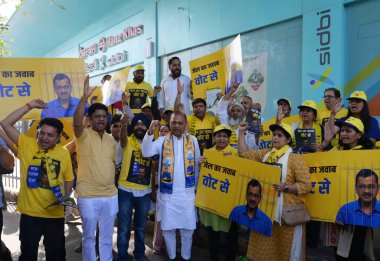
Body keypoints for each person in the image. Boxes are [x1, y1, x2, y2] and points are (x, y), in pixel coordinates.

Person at [1, 99, 74, 261]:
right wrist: (29, 106)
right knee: (27, 256)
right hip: (30, 215)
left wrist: (65, 197)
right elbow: (5, 124)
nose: (44, 138)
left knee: (56, 256)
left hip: (54, 216)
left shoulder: (63, 153)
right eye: (42, 133)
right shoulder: (28, 145)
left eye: (50, 135)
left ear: (57, 138)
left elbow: (69, 178)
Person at [238, 122, 310, 261]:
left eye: (280, 135)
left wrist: (286, 188)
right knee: (263, 250)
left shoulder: (295, 159)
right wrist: (241, 132)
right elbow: (243, 154)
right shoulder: (265, 154)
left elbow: (306, 185)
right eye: (274, 135)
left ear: (288, 140)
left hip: (286, 216)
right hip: (266, 212)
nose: (275, 138)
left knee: (285, 250)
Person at [142, 111, 200, 261]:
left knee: (188, 230)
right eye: (174, 122)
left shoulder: (193, 140)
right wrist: (150, 132)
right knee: (168, 230)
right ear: (169, 123)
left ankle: (186, 257)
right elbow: (146, 152)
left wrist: (197, 189)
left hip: (187, 195)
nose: (177, 126)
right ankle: (172, 257)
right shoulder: (162, 140)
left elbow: (197, 167)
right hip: (167, 195)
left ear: (185, 124)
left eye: (180, 123)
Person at [73, 75, 118, 261]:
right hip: (88, 196)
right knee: (89, 237)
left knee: (107, 238)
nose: (101, 119)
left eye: (103, 116)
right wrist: (84, 98)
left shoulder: (110, 140)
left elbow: (112, 165)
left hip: (110, 196)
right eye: (97, 116)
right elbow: (76, 123)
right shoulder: (82, 135)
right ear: (90, 119)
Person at [198, 124, 238, 261]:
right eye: (219, 136)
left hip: (229, 201)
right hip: (213, 200)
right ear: (214, 138)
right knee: (213, 233)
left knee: (231, 235)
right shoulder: (208, 153)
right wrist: (200, 163)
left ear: (228, 138)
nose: (222, 139)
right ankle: (213, 257)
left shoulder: (234, 152)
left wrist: (233, 159)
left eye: (225, 136)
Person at [117, 113, 152, 261]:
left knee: (140, 227)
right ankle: (122, 255)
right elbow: (123, 139)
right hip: (125, 190)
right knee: (124, 227)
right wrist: (124, 124)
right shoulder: (127, 141)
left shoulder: (152, 143)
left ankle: (139, 253)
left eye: (143, 124)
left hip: (145, 192)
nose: (139, 126)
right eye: (137, 124)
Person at [335, 169, 379, 260]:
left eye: (371, 186)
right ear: (356, 188)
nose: (366, 191)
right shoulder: (345, 209)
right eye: (362, 186)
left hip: (364, 248)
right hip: (347, 248)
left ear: (377, 188)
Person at [217, 83, 257, 150]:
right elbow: (221, 106)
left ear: (243, 114)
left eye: (238, 111)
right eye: (233, 110)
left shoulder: (247, 126)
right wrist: (231, 92)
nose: (235, 112)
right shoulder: (226, 121)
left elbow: (252, 146)